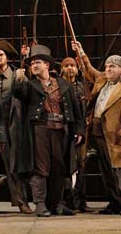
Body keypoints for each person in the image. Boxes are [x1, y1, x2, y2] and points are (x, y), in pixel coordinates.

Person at [13, 44, 84, 217]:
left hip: (61, 130)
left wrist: (79, 130)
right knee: (40, 168)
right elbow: (18, 93)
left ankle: (57, 204)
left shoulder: (64, 85)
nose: (34, 66)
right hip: (40, 129)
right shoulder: (30, 85)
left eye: (38, 62)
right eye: (32, 64)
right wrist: (19, 79)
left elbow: (76, 110)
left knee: (59, 168)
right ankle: (40, 204)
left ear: (47, 65)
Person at [73, 41, 121, 215]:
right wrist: (80, 51)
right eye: (107, 66)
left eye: (113, 67)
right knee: (106, 170)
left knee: (117, 170)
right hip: (98, 132)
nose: (108, 69)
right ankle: (115, 201)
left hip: (115, 134)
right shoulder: (102, 80)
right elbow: (89, 70)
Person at [0, 40, 32, 214]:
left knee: (15, 167)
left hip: (14, 127)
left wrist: (21, 79)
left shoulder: (16, 75)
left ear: (6, 58)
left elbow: (27, 95)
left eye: (1, 55)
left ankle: (21, 201)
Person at [59, 56, 91, 212]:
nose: (70, 68)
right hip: (64, 131)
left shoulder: (81, 86)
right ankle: (67, 199)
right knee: (66, 165)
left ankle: (80, 201)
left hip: (80, 131)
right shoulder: (58, 86)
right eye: (66, 66)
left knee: (81, 164)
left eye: (72, 65)